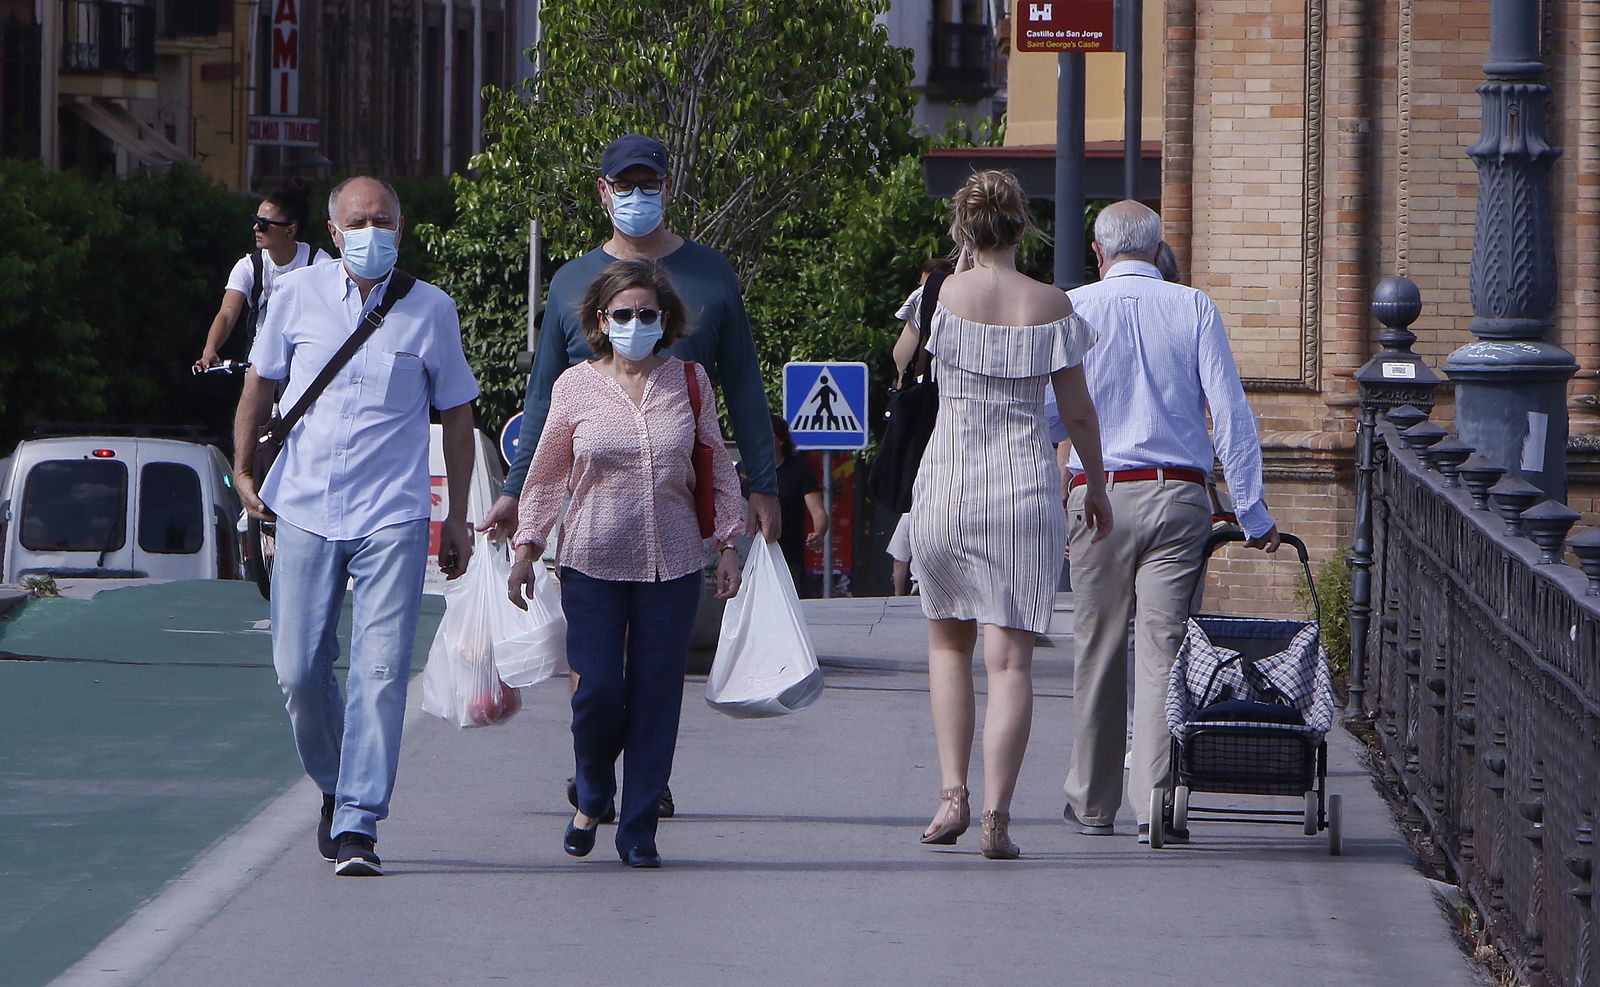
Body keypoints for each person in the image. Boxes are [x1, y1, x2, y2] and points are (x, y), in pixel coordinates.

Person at [478, 133, 780, 818]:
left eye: (649, 183)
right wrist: (513, 492)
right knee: (597, 677)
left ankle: (643, 781)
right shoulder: (569, 283)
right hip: (592, 519)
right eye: (625, 184)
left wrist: (763, 484)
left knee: (654, 670)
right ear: (603, 191)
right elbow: (542, 405)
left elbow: (743, 385)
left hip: (674, 517)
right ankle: (595, 774)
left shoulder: (712, 275)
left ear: (668, 188)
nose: (637, 196)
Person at [233, 176, 479, 877]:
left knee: (377, 669)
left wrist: (455, 515)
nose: (372, 231)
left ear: (401, 228)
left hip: (392, 516)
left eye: (384, 220)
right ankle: (337, 783)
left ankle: (359, 824)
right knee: (299, 671)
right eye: (357, 221)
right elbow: (260, 383)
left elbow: (457, 413)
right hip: (306, 507)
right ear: (334, 233)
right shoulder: (295, 296)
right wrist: (244, 467)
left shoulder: (432, 310)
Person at [898, 170, 1112, 860]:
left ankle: (951, 794)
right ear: (1024, 227)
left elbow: (902, 361)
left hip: (948, 484)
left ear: (964, 229)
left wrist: (949, 276)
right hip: (1021, 486)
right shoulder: (1051, 303)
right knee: (1011, 661)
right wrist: (1096, 483)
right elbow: (1076, 409)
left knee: (947, 646)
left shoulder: (939, 294)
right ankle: (996, 816)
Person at [508, 259, 744, 869]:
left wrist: (728, 543)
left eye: (647, 314)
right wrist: (527, 547)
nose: (635, 323)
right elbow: (548, 471)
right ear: (600, 321)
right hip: (591, 561)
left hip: (672, 563)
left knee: (657, 697)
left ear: (664, 320)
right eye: (623, 314)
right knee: (599, 693)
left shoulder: (689, 381)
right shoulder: (574, 387)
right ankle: (592, 794)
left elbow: (715, 462)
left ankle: (638, 828)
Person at [1057, 200, 1280, 846]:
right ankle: (1155, 804)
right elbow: (1231, 414)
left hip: (1098, 493)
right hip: (1180, 497)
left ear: (1098, 254)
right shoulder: (1194, 307)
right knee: (1163, 651)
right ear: (1158, 251)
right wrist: (1252, 508)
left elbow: (1051, 414)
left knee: (1096, 645)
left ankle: (1091, 800)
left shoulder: (1073, 309)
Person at [194, 178, 333, 372]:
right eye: (255, 221)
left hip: (304, 363)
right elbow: (227, 313)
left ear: (291, 229)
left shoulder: (318, 263)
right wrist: (210, 349)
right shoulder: (249, 266)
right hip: (261, 362)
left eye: (264, 223)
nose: (256, 228)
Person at [886, 258, 955, 597]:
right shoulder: (1026, 296)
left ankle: (927, 576)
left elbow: (902, 358)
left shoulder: (931, 297)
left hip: (938, 420)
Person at [770, 413, 828, 595]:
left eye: (767, 433)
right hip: (750, 556)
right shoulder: (744, 470)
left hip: (788, 556)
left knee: (787, 608)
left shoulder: (798, 468)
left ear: (780, 440)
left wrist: (818, 532)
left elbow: (818, 511)